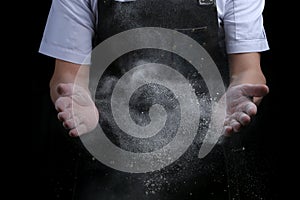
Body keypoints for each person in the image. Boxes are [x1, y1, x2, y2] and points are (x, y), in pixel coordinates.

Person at [39, 0, 270, 199]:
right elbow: (68, 75)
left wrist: (240, 91)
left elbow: (247, 69)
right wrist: (75, 99)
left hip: (208, 148)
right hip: (109, 155)